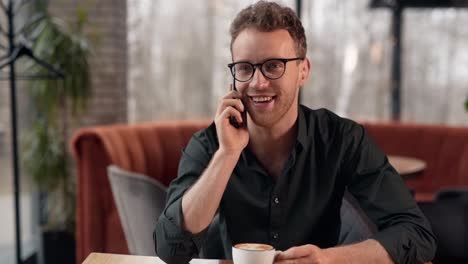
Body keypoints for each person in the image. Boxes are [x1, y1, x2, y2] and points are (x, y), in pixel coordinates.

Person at [155, 1, 436, 263]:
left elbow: (415, 234)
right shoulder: (209, 145)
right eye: (244, 68)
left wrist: (329, 259)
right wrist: (227, 154)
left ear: (303, 70)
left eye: (273, 66)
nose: (258, 82)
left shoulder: (342, 139)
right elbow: (171, 250)